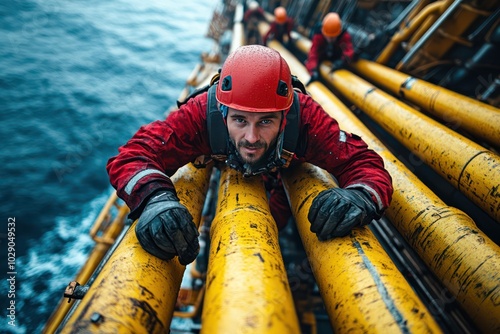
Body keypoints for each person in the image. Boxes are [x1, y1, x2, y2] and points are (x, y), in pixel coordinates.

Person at [107, 45, 393, 265]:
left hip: (280, 176)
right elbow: (134, 156)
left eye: (266, 121)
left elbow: (362, 163)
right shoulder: (200, 115)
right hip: (263, 166)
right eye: (240, 120)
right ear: (222, 113)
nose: (252, 138)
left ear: (285, 117)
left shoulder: (305, 119)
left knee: (277, 219)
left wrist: (361, 195)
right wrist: (154, 200)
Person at [306, 12, 355, 82]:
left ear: (339, 33)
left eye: (332, 37)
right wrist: (313, 71)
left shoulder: (344, 36)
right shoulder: (318, 36)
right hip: (323, 58)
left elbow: (349, 51)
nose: (329, 39)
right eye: (328, 36)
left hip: (336, 59)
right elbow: (313, 54)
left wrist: (342, 61)